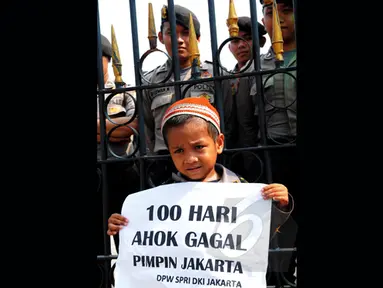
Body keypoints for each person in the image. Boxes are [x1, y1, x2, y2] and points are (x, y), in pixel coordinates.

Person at [107, 97, 294, 251]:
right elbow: (150, 239)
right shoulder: (162, 195)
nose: (190, 159)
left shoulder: (240, 187)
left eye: (198, 147)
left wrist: (279, 206)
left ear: (219, 143)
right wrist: (124, 225)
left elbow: (260, 233)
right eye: (179, 151)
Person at [249, 0, 298, 284]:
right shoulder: (256, 66)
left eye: (287, 9)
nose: (278, 18)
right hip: (273, 162)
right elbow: (245, 124)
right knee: (278, 251)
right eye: (270, 12)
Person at [141, 4, 216, 187]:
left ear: (197, 38)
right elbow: (147, 128)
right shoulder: (150, 81)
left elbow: (230, 121)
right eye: (171, 33)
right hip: (163, 164)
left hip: (205, 163)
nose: (179, 40)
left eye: (186, 33)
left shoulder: (216, 76)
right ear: (160, 37)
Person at [96, 34, 141, 258]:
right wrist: (109, 129)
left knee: (128, 245)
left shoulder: (124, 92)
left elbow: (132, 127)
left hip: (121, 174)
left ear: (108, 59)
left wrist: (117, 129)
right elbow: (118, 129)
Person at [222, 17, 268, 182]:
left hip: (264, 152)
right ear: (229, 46)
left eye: (247, 38)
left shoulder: (269, 72)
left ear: (261, 42)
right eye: (235, 40)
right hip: (231, 156)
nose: (241, 45)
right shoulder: (226, 78)